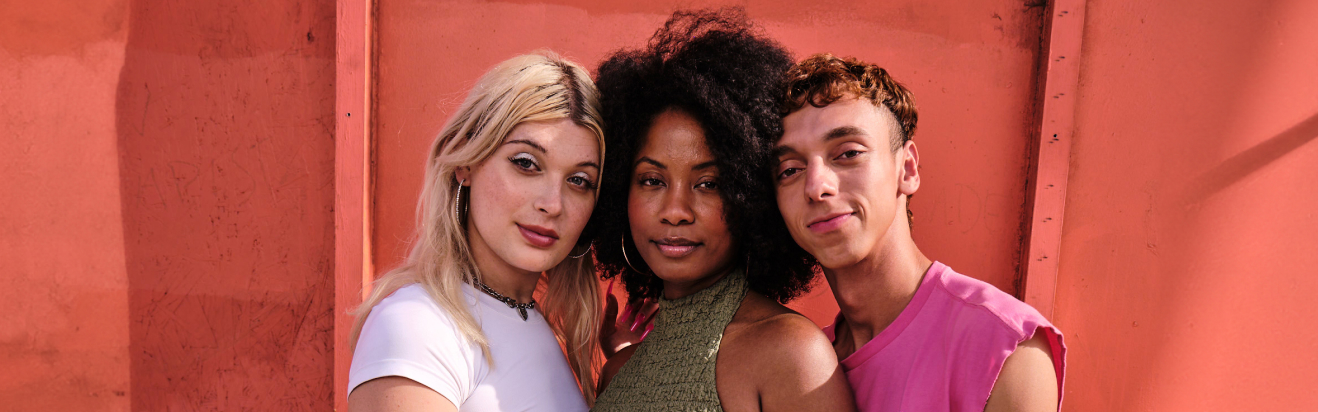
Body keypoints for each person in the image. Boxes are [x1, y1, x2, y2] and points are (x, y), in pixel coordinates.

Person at [587, 9, 856, 412]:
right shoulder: (618, 370)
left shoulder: (790, 354)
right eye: (652, 180)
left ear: (751, 196)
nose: (675, 211)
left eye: (709, 184)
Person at [771, 53, 1067, 411]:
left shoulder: (1004, 348)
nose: (816, 187)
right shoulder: (797, 372)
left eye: (848, 154)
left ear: (907, 169)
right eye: (790, 169)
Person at [346, 52, 607, 412]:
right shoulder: (418, 326)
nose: (553, 204)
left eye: (579, 180)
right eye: (526, 163)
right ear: (466, 163)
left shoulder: (540, 326)